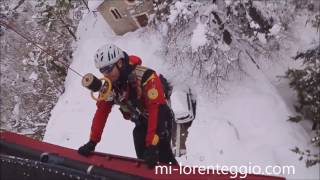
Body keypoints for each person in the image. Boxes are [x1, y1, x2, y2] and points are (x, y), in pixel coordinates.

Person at [78, 43, 178, 167]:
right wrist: (92, 142)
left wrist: (152, 144)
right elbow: (101, 112)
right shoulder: (110, 85)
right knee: (141, 152)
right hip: (141, 120)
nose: (106, 74)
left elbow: (156, 109)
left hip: (160, 117)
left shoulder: (146, 76)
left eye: (108, 69)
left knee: (162, 153)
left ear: (119, 63)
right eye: (102, 70)